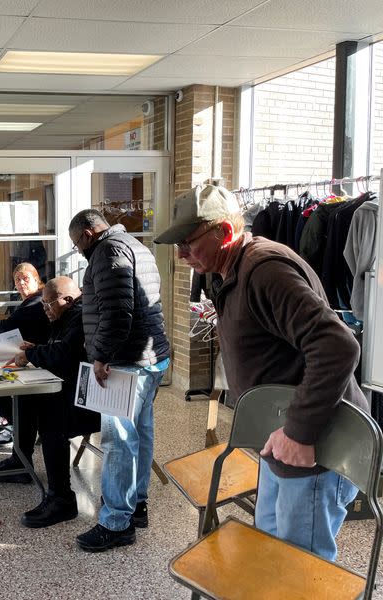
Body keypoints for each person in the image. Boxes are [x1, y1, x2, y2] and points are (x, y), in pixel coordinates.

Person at [154, 184, 368, 561]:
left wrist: (299, 432)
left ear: (223, 232)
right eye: (178, 245)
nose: (182, 254)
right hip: (280, 443)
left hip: (315, 448)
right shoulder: (229, 270)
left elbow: (338, 346)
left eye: (188, 242)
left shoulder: (265, 270)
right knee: (271, 556)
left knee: (298, 569)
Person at [69, 208, 170, 552]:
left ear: (87, 233)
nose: (79, 251)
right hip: (151, 356)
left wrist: (101, 355)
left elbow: (117, 311)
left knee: (117, 440)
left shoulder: (107, 250)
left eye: (76, 243)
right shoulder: (134, 245)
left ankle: (116, 522)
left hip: (126, 360)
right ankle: (136, 504)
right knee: (140, 433)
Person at [7, 276, 100, 527]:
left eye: (49, 304)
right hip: (77, 387)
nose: (45, 310)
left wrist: (31, 354)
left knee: (51, 424)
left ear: (68, 300)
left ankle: (62, 500)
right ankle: (21, 461)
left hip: (96, 399)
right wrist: (36, 347)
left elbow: (64, 354)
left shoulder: (79, 317)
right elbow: (59, 348)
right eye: (44, 305)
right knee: (26, 401)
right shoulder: (66, 316)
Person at [0, 263, 50, 474]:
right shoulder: (32, 301)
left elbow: (9, 325)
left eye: (26, 278)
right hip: (36, 358)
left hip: (44, 368)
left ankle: (19, 436)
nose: (21, 283)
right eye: (17, 280)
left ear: (37, 279)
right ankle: (19, 435)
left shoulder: (37, 302)